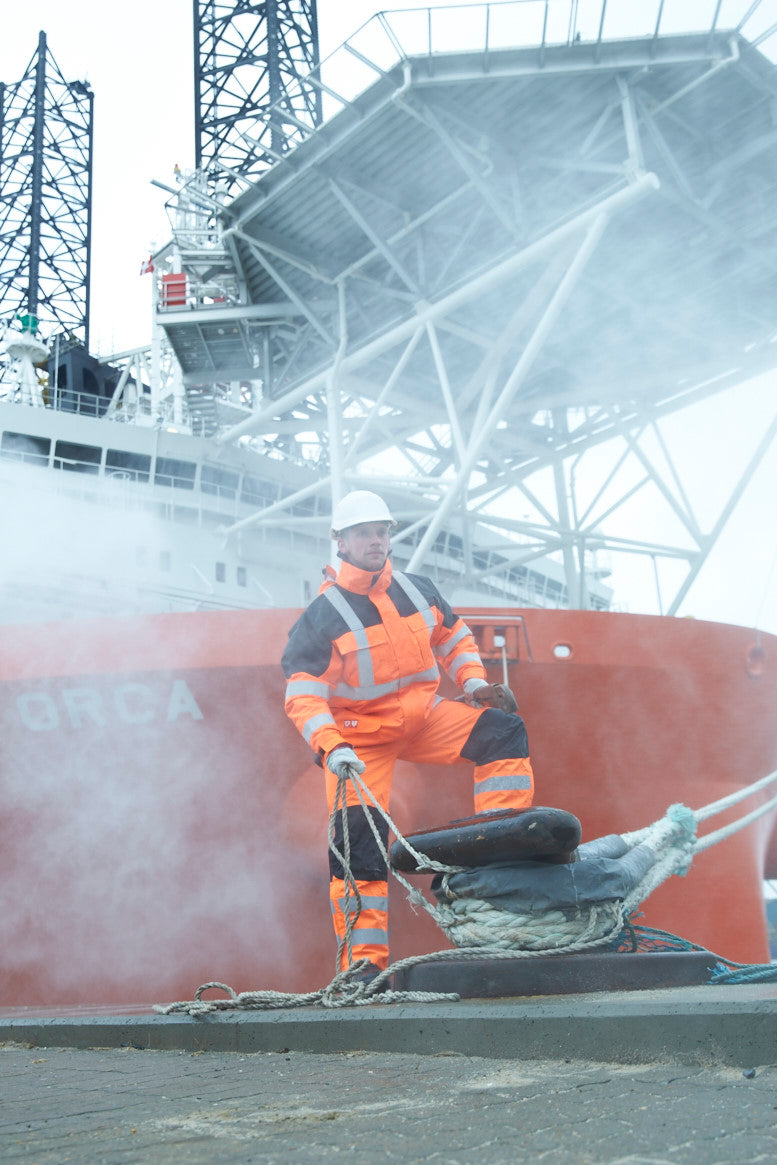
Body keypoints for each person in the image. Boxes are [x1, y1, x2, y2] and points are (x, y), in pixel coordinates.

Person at [281, 490, 534, 984]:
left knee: (503, 733)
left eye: (381, 531)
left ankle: (500, 849)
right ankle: (364, 968)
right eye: (362, 534)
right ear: (341, 542)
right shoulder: (321, 617)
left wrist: (475, 684)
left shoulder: (418, 590)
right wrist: (333, 748)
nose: (375, 541)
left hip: (423, 719)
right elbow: (303, 698)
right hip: (360, 741)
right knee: (357, 847)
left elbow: (454, 637)